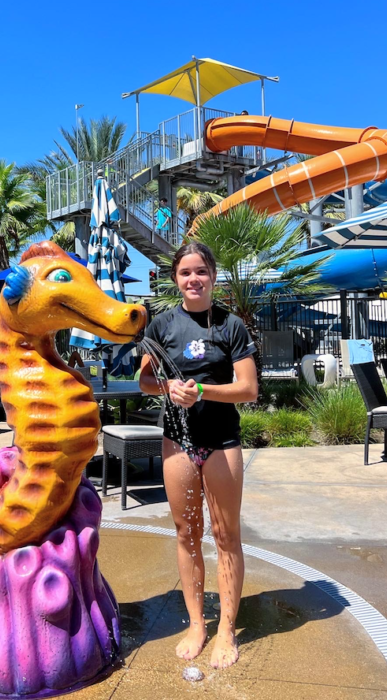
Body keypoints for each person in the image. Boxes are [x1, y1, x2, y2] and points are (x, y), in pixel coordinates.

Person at [139, 242, 258, 669]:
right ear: (176, 279)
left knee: (227, 535)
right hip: (178, 442)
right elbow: (146, 383)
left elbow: (248, 389)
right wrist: (168, 388)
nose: (193, 279)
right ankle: (197, 623)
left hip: (222, 441)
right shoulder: (162, 327)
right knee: (186, 534)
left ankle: (226, 627)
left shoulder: (230, 326)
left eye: (201, 272)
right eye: (186, 272)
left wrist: (203, 390)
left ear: (213, 275)